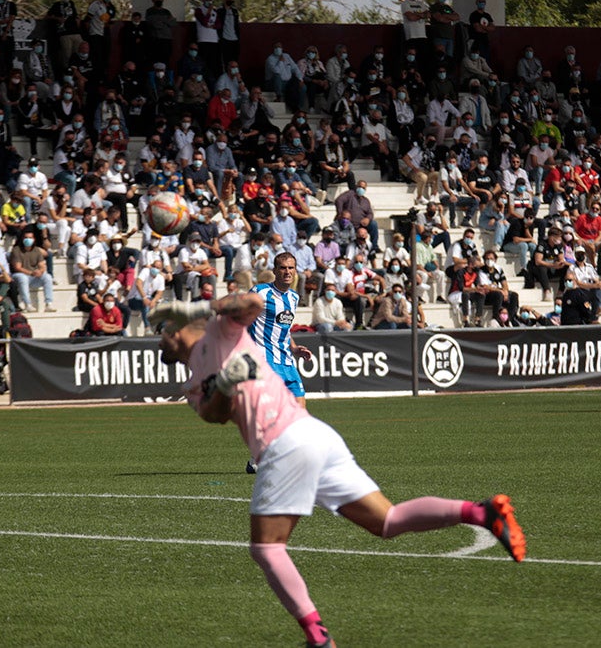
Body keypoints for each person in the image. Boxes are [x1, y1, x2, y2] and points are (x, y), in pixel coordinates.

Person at [150, 293, 526, 648]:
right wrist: (227, 383)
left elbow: (255, 303)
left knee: (267, 548)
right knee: (388, 521)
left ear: (177, 328)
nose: (159, 339)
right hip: (313, 436)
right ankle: (482, 512)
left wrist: (198, 306)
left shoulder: (219, 328)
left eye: (162, 330)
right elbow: (215, 414)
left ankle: (318, 636)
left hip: (286, 442)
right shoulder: (191, 384)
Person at [249, 252, 313, 406]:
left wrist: (294, 348)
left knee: (300, 412)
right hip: (265, 361)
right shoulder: (260, 292)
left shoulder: (294, 297)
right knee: (272, 413)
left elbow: (284, 328)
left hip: (287, 362)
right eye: (283, 268)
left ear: (295, 271)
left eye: (291, 268)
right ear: (275, 271)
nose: (287, 271)